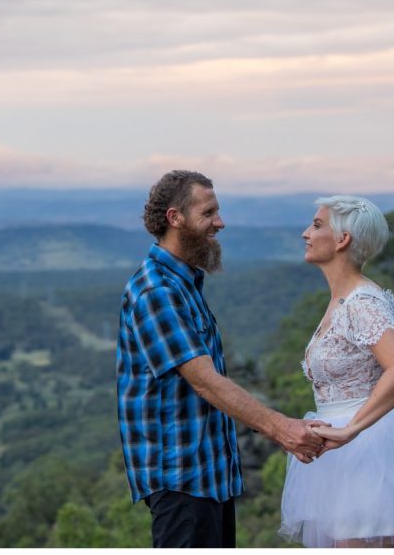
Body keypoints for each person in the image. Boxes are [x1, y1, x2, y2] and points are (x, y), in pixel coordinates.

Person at [117, 170, 328, 548]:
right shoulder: (156, 291)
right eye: (209, 212)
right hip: (180, 480)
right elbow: (203, 380)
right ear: (175, 218)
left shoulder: (184, 283)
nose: (220, 222)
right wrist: (281, 429)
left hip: (209, 478)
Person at [278, 195, 394, 547]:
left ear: (342, 240)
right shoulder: (342, 300)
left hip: (366, 451)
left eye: (317, 225)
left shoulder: (362, 303)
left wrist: (352, 430)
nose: (306, 233)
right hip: (339, 447)